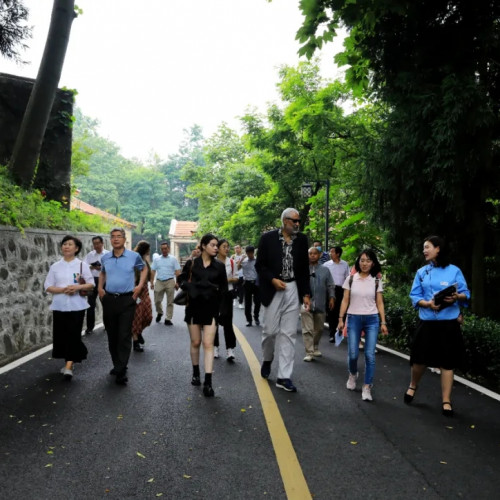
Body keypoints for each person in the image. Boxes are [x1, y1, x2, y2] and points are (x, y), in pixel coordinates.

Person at [404, 235, 470, 417]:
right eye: (423, 247)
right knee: (419, 360)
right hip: (427, 322)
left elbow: (466, 294)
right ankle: (413, 385)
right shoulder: (421, 272)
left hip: (449, 323)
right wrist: (427, 304)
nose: (424, 250)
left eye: (427, 247)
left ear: (438, 248)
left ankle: (446, 400)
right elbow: (414, 296)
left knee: (447, 363)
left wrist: (456, 297)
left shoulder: (454, 270)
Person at [256, 208, 311, 392]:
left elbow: (303, 269)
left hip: (293, 288)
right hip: (273, 288)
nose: (297, 224)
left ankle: (284, 376)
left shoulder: (302, 240)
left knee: (289, 334)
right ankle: (267, 358)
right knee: (270, 331)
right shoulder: (267, 238)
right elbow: (260, 265)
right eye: (294, 221)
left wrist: (306, 294)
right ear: (284, 221)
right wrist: (272, 279)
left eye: (298, 221)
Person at [177, 233, 227, 397]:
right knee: (196, 341)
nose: (216, 247)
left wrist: (222, 311)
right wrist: (188, 287)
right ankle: (196, 372)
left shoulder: (219, 266)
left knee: (208, 343)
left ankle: (208, 382)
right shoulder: (192, 264)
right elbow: (181, 279)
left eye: (216, 245)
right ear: (204, 246)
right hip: (193, 308)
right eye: (212, 245)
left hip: (211, 309)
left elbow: (224, 290)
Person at [337, 249, 388, 401]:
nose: (365, 263)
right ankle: (353, 374)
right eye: (362, 260)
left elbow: (379, 302)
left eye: (368, 261)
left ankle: (367, 386)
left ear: (373, 263)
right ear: (358, 262)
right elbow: (345, 300)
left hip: (372, 319)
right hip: (353, 318)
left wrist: (383, 322)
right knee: (353, 353)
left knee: (369, 355)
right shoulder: (351, 279)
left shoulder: (377, 281)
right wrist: (341, 319)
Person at [98, 228, 148, 385]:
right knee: (112, 335)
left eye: (119, 236)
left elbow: (144, 268)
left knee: (124, 334)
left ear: (124, 239)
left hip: (127, 300)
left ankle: (121, 369)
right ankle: (117, 364)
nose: (115, 239)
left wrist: (139, 286)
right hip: (109, 299)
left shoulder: (134, 256)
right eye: (112, 237)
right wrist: (100, 288)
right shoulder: (105, 257)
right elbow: (102, 273)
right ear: (110, 240)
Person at [44, 235, 94, 380]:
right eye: (64, 244)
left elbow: (91, 283)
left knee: (73, 334)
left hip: (77, 306)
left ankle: (69, 366)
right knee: (62, 336)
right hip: (59, 306)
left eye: (70, 244)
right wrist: (62, 290)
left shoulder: (82, 265)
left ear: (76, 248)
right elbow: (47, 286)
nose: (66, 246)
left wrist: (77, 287)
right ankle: (74, 356)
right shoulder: (55, 266)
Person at [301, 247, 335, 362]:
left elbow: (330, 285)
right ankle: (309, 352)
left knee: (319, 329)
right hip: (306, 303)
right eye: (310, 253)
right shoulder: (302, 269)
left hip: (321, 303)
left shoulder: (325, 270)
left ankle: (315, 347)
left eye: (315, 253)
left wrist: (332, 297)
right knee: (307, 329)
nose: (312, 255)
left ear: (319, 255)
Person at [214, 239, 238, 361]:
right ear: (218, 248)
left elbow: (236, 278)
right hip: (215, 294)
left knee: (228, 322)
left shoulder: (232, 262)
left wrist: (226, 280)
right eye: (224, 246)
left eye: (228, 247)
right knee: (215, 322)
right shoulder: (213, 262)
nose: (227, 249)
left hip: (227, 294)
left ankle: (230, 349)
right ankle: (215, 347)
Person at [83, 235, 109, 335]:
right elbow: (84, 265)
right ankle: (90, 327)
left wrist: (102, 268)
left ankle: (107, 325)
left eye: (98, 243)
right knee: (90, 305)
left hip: (105, 281)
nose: (96, 245)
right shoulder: (90, 255)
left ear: (102, 243)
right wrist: (92, 266)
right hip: (92, 282)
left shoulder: (108, 254)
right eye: (94, 244)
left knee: (105, 304)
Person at [151, 241, 181, 326]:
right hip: (159, 281)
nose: (164, 250)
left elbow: (177, 272)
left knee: (170, 301)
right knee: (157, 300)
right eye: (162, 249)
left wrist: (177, 282)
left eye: (165, 248)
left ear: (168, 249)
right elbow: (153, 271)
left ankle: (168, 318)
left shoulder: (173, 259)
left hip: (170, 281)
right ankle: (160, 312)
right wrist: (152, 282)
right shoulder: (157, 259)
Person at [324, 246, 350, 342]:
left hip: (341, 290)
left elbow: (348, 277)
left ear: (338, 253)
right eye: (330, 252)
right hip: (330, 290)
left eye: (332, 252)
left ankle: (339, 330)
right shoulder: (326, 265)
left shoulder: (345, 264)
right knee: (331, 311)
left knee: (341, 311)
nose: (330, 253)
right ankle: (332, 334)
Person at [131, 240, 153, 352]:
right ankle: (135, 342)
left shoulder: (145, 260)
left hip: (145, 291)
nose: (149, 250)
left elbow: (149, 274)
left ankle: (139, 332)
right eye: (148, 248)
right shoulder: (135, 260)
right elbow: (133, 276)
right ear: (145, 249)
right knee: (136, 318)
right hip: (136, 291)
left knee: (148, 317)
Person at [238, 245, 261, 327]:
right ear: (246, 253)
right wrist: (241, 260)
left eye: (251, 253)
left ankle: (256, 317)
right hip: (247, 283)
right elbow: (237, 269)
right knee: (248, 303)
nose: (250, 255)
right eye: (248, 253)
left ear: (253, 252)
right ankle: (249, 320)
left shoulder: (258, 260)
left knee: (257, 302)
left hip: (256, 283)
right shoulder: (244, 261)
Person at [232, 244, 245, 308]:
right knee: (233, 289)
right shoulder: (233, 256)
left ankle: (240, 303)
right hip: (235, 275)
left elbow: (244, 265)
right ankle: (234, 300)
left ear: (240, 249)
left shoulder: (244, 256)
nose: (236, 249)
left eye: (238, 248)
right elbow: (233, 266)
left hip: (242, 275)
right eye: (235, 248)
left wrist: (239, 262)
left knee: (241, 289)